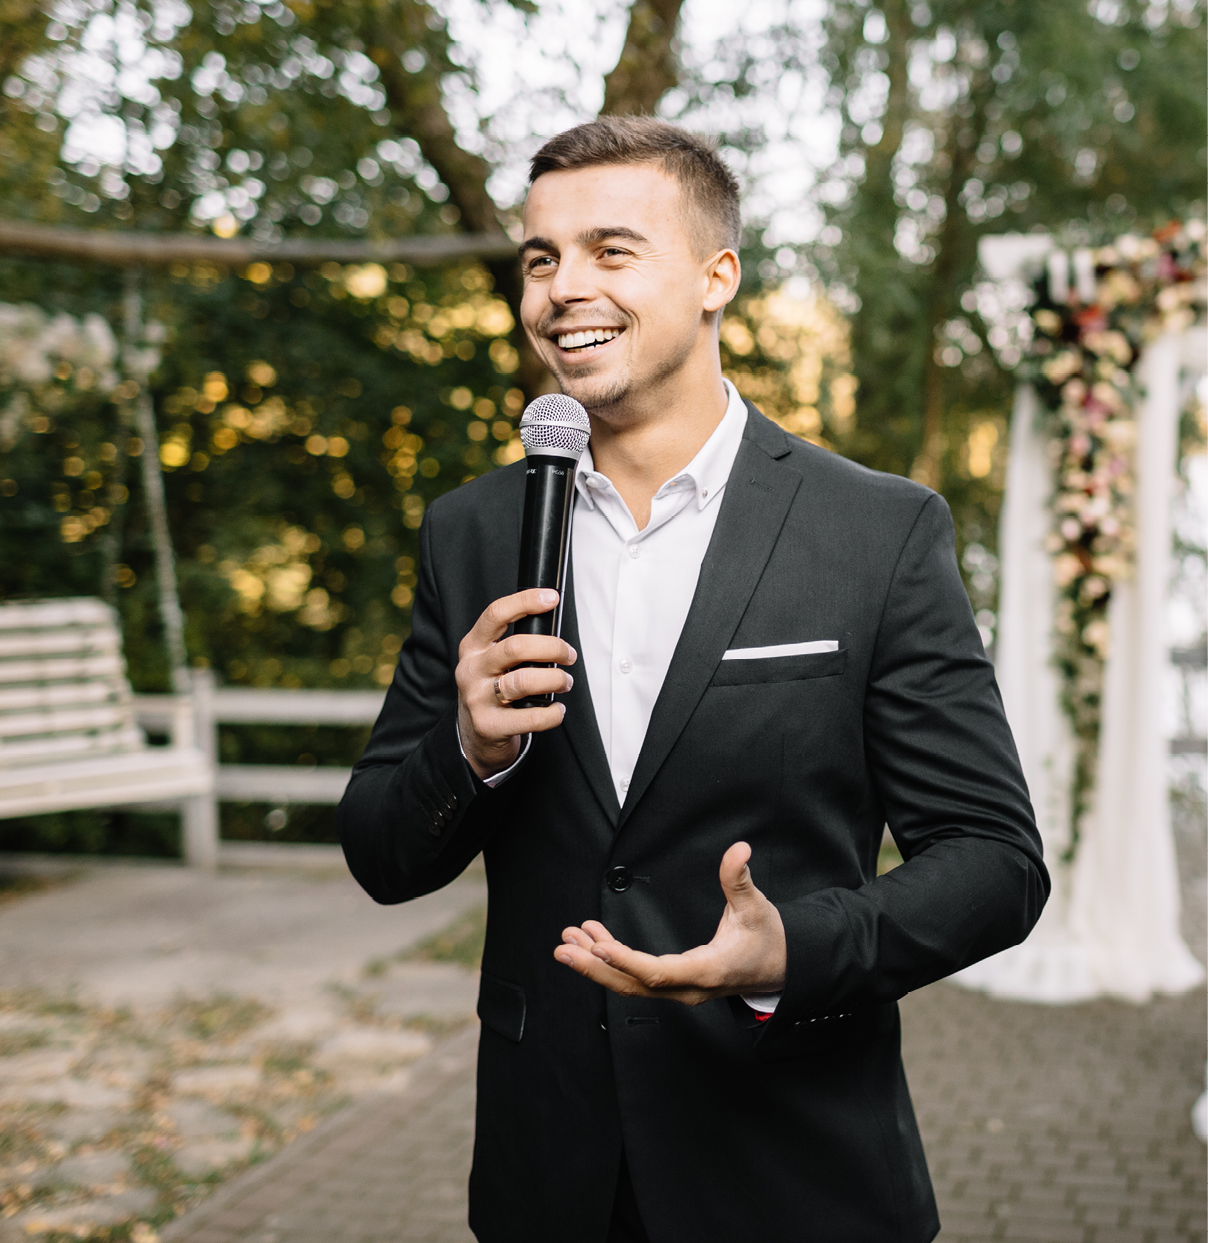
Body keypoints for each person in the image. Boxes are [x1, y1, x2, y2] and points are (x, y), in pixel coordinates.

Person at [338, 117, 1048, 1243]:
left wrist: (793, 951)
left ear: (717, 276)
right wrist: (464, 753)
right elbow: (379, 852)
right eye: (540, 257)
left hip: (791, 1161)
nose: (563, 287)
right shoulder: (470, 533)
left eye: (609, 251)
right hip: (549, 1169)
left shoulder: (874, 532)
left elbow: (994, 865)